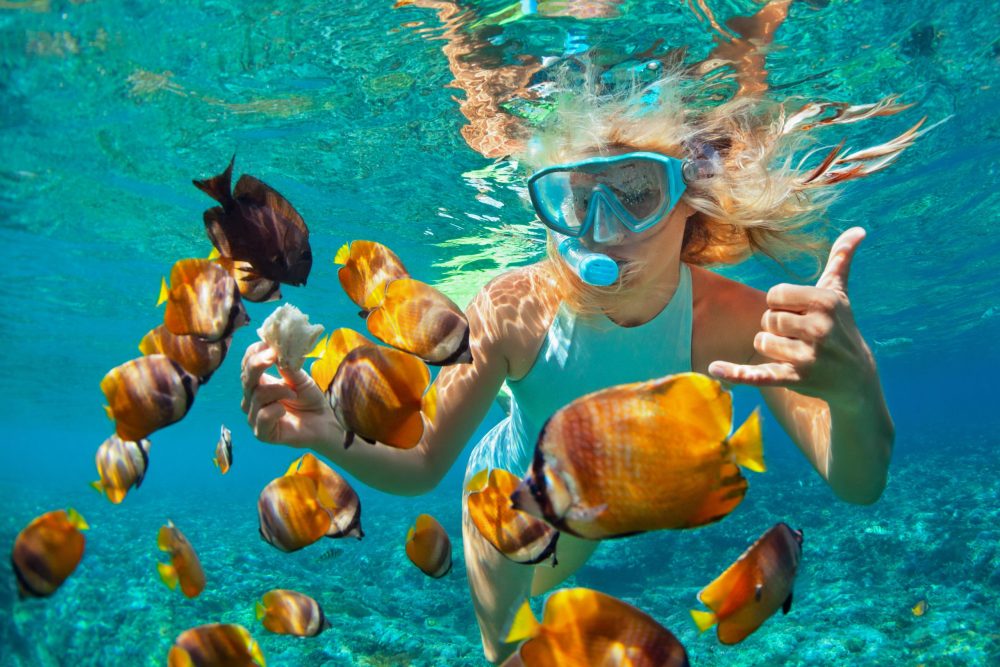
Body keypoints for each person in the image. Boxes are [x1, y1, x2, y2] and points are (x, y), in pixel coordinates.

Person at [240, 62, 920, 662]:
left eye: (635, 190)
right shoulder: (514, 311)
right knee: (507, 651)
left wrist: (856, 385)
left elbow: (858, 483)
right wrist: (324, 434)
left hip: (594, 504)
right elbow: (422, 464)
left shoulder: (733, 319)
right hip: (502, 500)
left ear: (691, 199)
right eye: (575, 196)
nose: (603, 227)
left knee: (554, 599)